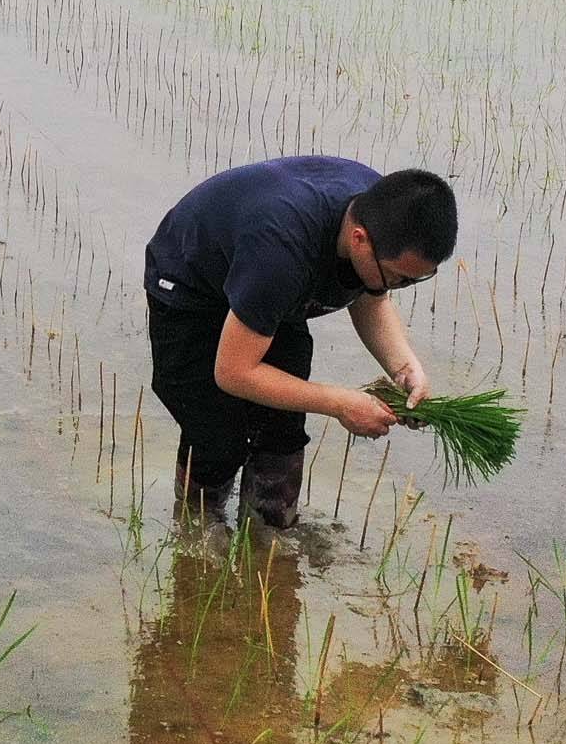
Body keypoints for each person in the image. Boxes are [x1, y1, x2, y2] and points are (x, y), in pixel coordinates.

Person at [143, 160, 457, 528]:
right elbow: (233, 373)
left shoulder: (384, 215)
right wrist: (341, 404)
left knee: (282, 432)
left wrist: (405, 369)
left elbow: (371, 298)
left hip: (268, 288)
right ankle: (196, 530)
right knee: (217, 439)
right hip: (191, 286)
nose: (397, 287)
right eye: (400, 278)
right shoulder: (281, 249)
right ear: (359, 239)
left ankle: (269, 537)